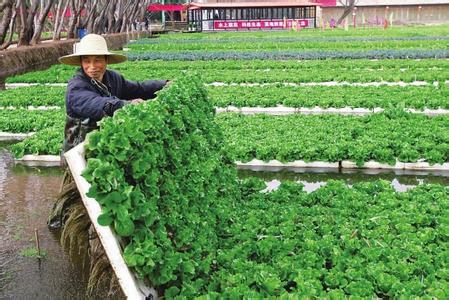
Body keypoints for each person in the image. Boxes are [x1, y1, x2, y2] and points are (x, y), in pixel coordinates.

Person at [58, 33, 168, 152]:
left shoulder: (113, 78)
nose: (92, 66)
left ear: (106, 60)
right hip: (78, 153)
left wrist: (163, 84)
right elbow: (99, 104)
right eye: (87, 61)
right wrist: (126, 105)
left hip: (104, 147)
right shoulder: (76, 87)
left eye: (97, 60)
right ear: (81, 63)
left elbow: (138, 88)